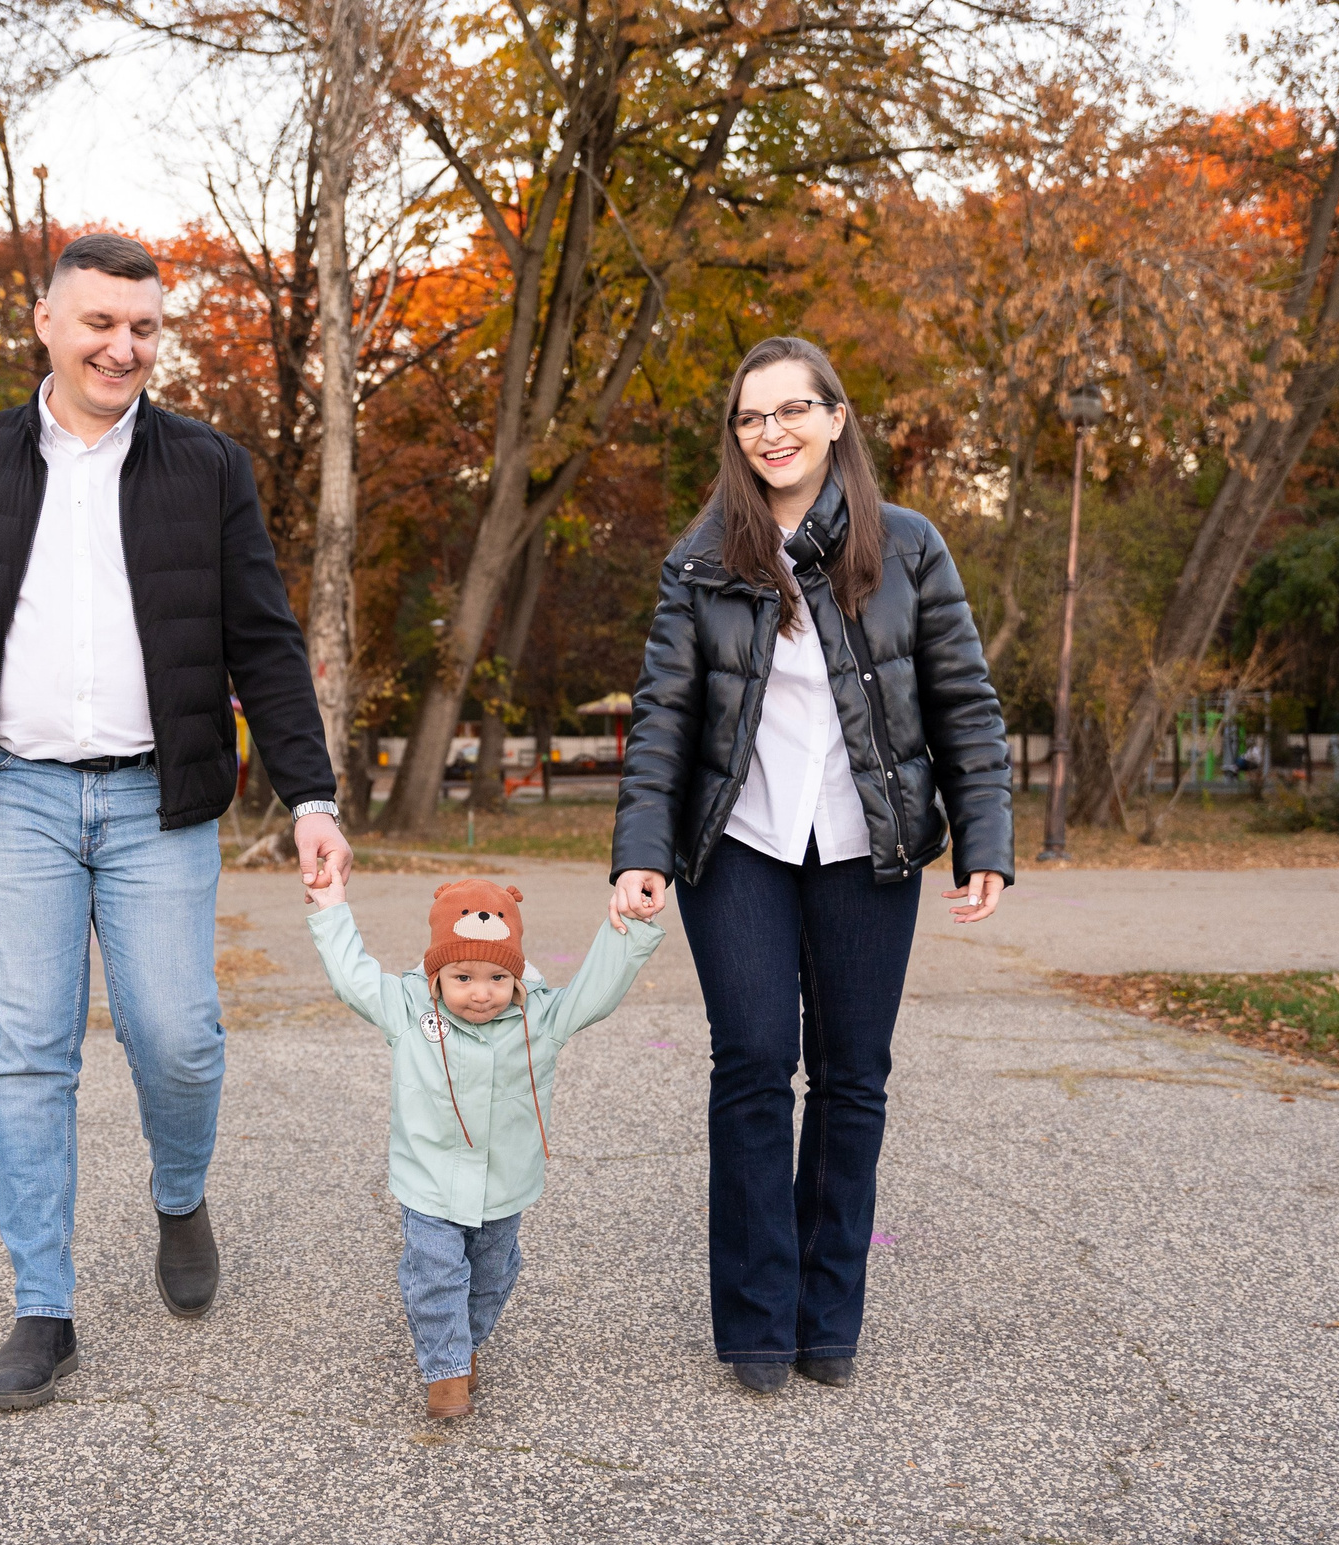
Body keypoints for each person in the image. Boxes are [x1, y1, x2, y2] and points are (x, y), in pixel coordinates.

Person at [0, 233, 352, 1412]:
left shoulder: (204, 467)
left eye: (144, 328)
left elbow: (264, 640)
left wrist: (310, 794)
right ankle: (44, 1306)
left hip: (155, 796)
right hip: (11, 794)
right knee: (27, 1052)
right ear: (45, 323)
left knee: (176, 1036)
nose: (123, 347)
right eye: (99, 323)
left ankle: (179, 1196)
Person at [608, 335, 1012, 1395]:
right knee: (749, 1065)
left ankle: (826, 1317)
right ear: (735, 437)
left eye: (791, 410)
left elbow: (964, 703)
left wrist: (987, 841)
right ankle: (752, 1325)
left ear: (837, 418)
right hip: (736, 845)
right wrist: (641, 852)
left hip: (866, 850)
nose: (770, 432)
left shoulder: (910, 548)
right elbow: (664, 719)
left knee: (850, 1078)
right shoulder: (701, 558)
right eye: (750, 417)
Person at [305, 875, 663, 1419]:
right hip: (428, 1182)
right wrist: (331, 908)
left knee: (493, 1273)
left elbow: (596, 989)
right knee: (436, 1271)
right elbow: (353, 978)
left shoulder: (540, 1020)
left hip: (505, 1183)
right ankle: (445, 1371)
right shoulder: (408, 1012)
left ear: (516, 976)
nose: (481, 992)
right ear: (436, 975)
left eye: (497, 977)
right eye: (462, 977)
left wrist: (630, 926)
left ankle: (464, 1342)